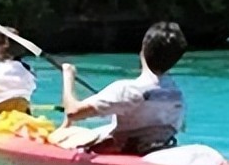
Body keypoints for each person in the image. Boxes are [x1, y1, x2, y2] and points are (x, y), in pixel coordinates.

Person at [56, 21, 188, 155]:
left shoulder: (126, 90)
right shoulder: (177, 95)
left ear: (143, 50)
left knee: (68, 133)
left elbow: (72, 112)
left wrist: (68, 76)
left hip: (126, 150)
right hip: (158, 146)